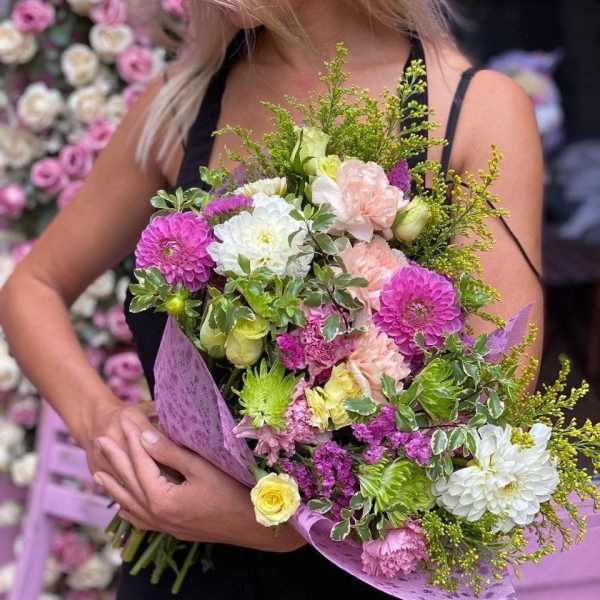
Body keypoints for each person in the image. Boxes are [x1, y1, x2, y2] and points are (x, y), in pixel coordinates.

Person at [0, 1, 544, 598]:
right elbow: (33, 287)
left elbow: (495, 410)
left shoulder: (474, 111)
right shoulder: (181, 105)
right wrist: (101, 422)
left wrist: (292, 524)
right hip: (185, 575)